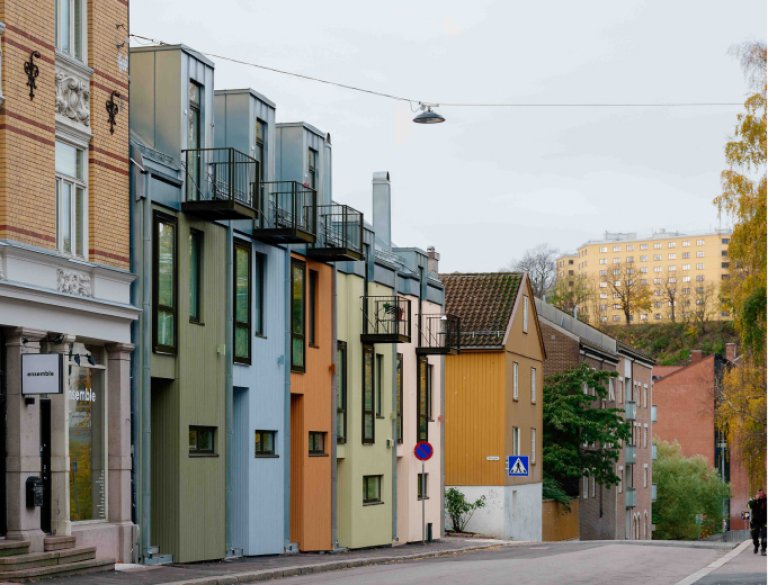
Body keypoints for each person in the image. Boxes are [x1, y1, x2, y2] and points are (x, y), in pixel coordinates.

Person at [748, 488, 767, 555]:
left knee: (764, 535)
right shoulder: (753, 500)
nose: (760, 495)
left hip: (764, 521)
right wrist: (755, 500)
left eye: (762, 493)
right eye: (759, 493)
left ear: (764, 493)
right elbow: (750, 506)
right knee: (754, 536)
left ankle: (763, 549)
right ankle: (756, 545)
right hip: (755, 522)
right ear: (757, 494)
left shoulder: (766, 500)